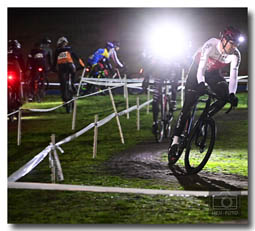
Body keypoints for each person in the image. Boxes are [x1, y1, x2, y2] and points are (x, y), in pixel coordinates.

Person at [168, 26, 243, 162]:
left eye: (236, 44)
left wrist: (232, 94)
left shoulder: (236, 55)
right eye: (232, 44)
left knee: (225, 95)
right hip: (196, 70)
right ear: (224, 40)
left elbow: (234, 76)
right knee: (187, 108)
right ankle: (175, 141)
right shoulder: (211, 44)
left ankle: (203, 120)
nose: (234, 47)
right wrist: (201, 83)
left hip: (213, 74)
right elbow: (201, 68)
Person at [142, 50, 181, 134]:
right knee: (155, 100)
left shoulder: (173, 59)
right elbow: (149, 68)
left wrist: (176, 81)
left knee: (173, 86)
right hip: (159, 78)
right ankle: (155, 122)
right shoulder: (157, 59)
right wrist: (146, 80)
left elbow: (178, 68)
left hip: (170, 77)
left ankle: (172, 104)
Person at [52, 36, 85, 104]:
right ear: (66, 43)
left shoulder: (57, 51)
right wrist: (83, 65)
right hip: (70, 66)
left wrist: (53, 69)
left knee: (62, 84)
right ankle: (72, 84)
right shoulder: (69, 49)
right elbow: (77, 58)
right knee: (73, 74)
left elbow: (54, 62)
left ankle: (64, 100)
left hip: (61, 67)